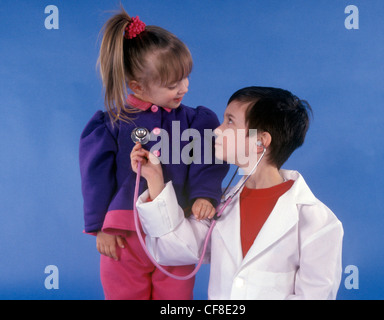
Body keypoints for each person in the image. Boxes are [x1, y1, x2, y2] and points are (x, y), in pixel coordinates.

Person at [131, 86, 344, 299]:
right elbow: (173, 249)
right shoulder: (221, 204)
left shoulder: (318, 223)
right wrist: (155, 180)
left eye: (230, 121)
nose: (217, 130)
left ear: (260, 141)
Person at [79, 8, 228, 300]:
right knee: (124, 294)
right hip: (125, 235)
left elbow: (207, 161)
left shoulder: (195, 122)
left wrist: (204, 196)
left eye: (185, 79)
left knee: (175, 297)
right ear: (137, 86)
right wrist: (100, 227)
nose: (184, 88)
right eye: (172, 85)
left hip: (177, 228)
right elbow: (95, 178)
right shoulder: (111, 124)